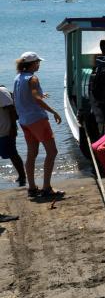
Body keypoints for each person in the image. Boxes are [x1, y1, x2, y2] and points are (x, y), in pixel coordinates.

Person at [13, 52, 63, 199]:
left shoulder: (18, 77)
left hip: (24, 121)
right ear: (32, 64)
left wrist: (41, 96)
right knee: (52, 152)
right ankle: (47, 187)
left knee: (32, 154)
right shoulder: (33, 78)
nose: (39, 64)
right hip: (37, 119)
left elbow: (22, 97)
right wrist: (54, 111)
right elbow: (35, 98)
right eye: (37, 62)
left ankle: (32, 188)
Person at [0, 82, 26, 187]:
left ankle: (22, 176)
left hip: (5, 130)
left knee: (12, 153)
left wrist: (13, 128)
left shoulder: (1, 91)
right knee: (11, 153)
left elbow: (11, 109)